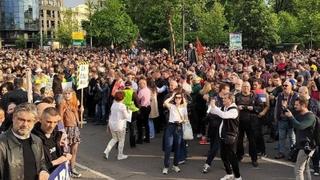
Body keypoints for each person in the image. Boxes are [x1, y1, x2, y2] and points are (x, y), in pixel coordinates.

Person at [0, 103, 49, 180]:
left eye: (29, 121)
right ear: (13, 118)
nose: (25, 124)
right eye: (21, 119)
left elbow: (42, 162)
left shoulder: (37, 140)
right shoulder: (2, 143)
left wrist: (43, 171)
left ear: (34, 122)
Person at [208, 92, 242, 180]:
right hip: (222, 136)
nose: (223, 100)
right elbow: (213, 111)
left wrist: (214, 107)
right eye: (223, 98)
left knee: (232, 157)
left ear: (230, 100)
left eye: (225, 98)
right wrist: (211, 105)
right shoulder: (224, 107)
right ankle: (229, 173)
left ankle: (238, 177)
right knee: (223, 156)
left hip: (231, 137)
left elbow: (224, 115)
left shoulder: (234, 109)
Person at [284, 97, 317, 180]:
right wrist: (285, 108)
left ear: (303, 105)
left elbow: (300, 126)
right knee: (305, 169)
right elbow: (293, 121)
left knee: (298, 169)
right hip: (301, 145)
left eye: (297, 105)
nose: (295, 106)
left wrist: (291, 117)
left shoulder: (310, 116)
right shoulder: (299, 114)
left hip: (307, 146)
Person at [32, 107, 72, 173]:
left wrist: (63, 152)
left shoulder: (56, 133)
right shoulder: (33, 138)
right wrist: (57, 161)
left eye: (55, 122)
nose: (52, 126)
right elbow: (33, 167)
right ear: (40, 120)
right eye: (48, 122)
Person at [202, 83, 230, 173]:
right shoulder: (214, 98)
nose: (228, 91)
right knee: (214, 145)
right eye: (227, 89)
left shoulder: (228, 99)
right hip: (215, 125)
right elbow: (210, 111)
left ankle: (208, 164)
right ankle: (210, 164)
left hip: (224, 126)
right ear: (222, 90)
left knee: (218, 146)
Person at [235, 82, 262, 167]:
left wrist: (253, 108)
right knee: (239, 140)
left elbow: (260, 107)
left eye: (247, 86)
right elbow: (232, 105)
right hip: (239, 121)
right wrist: (237, 107)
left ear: (250, 88)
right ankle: (239, 156)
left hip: (251, 122)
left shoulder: (255, 96)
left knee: (252, 141)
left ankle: (254, 159)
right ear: (241, 87)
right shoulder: (237, 96)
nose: (246, 88)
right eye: (244, 86)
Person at [162, 92, 188, 174]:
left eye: (179, 97)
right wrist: (172, 96)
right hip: (170, 127)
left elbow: (186, 119)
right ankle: (166, 166)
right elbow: (166, 102)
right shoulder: (172, 106)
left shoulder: (184, 107)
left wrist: (182, 121)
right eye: (176, 97)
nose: (178, 99)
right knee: (168, 147)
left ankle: (175, 165)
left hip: (179, 127)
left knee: (177, 147)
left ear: (182, 99)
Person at [59, 88, 82, 178]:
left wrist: (78, 119)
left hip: (74, 128)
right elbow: (60, 117)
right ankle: (65, 169)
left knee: (74, 150)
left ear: (72, 94)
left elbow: (76, 112)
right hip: (66, 128)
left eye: (69, 93)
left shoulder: (74, 102)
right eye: (66, 93)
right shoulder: (62, 103)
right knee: (65, 151)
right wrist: (62, 130)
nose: (67, 95)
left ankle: (72, 168)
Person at [275, 80, 298, 159]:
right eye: (283, 85)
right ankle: (281, 152)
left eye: (286, 85)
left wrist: (287, 106)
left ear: (291, 87)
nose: (284, 87)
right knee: (281, 137)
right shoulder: (280, 95)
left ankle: (292, 153)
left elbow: (296, 108)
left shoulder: (295, 95)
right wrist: (276, 117)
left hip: (291, 119)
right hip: (281, 119)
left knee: (292, 137)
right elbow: (276, 107)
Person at [103, 91, 130, 160]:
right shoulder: (122, 106)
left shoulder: (113, 104)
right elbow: (126, 116)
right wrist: (128, 111)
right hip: (120, 125)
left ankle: (107, 151)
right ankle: (120, 155)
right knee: (121, 140)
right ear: (122, 98)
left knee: (114, 139)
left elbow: (111, 115)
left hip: (112, 124)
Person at [137, 79, 151, 144]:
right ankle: (147, 138)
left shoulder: (141, 91)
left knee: (139, 124)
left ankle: (140, 139)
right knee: (146, 123)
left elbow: (138, 99)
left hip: (143, 108)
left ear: (144, 84)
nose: (139, 85)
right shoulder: (148, 90)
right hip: (148, 107)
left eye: (140, 84)